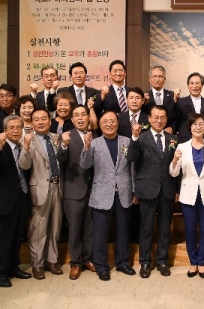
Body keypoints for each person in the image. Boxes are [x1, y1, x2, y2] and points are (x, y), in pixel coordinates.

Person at [80, 111, 137, 280]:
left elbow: (132, 168)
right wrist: (86, 147)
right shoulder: (94, 143)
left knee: (123, 231)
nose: (109, 124)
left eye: (112, 121)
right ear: (100, 125)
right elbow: (85, 165)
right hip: (102, 193)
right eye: (105, 122)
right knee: (100, 233)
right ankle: (101, 266)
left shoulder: (127, 141)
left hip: (124, 193)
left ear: (118, 123)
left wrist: (134, 190)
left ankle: (122, 262)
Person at [19, 108, 70, 279]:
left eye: (43, 119)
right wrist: (26, 147)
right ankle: (37, 264)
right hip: (39, 189)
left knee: (55, 227)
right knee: (38, 229)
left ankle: (51, 261)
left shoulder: (57, 138)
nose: (40, 122)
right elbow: (24, 165)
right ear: (32, 122)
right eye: (36, 119)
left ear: (50, 120)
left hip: (58, 187)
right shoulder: (28, 140)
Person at [127, 105, 177, 278]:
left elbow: (177, 166)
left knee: (164, 228)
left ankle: (162, 261)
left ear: (166, 119)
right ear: (149, 119)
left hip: (167, 189)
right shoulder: (141, 138)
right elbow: (132, 158)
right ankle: (145, 262)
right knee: (146, 228)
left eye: (162, 117)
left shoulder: (173, 139)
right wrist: (134, 137)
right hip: (147, 189)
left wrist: (176, 189)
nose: (159, 120)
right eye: (155, 117)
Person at [170, 114, 204, 278]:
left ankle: (202, 262)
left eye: (201, 124)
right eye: (194, 124)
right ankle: (193, 262)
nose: (198, 127)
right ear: (190, 127)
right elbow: (174, 173)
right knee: (190, 229)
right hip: (188, 194)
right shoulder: (182, 147)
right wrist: (174, 159)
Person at [0, 115, 33, 288]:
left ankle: (13, 267)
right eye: (11, 128)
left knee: (17, 237)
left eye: (18, 127)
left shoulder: (23, 147)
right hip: (4, 201)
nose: (15, 131)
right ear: (5, 131)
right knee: (4, 239)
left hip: (22, 197)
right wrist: (0, 146)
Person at [63, 104, 95, 280]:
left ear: (89, 117)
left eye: (84, 114)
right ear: (72, 119)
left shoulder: (97, 136)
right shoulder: (67, 137)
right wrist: (63, 145)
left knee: (89, 228)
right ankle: (75, 262)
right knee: (74, 229)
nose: (81, 118)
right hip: (73, 190)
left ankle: (88, 259)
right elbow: (60, 159)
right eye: (77, 115)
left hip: (93, 190)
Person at [173, 72, 204, 143]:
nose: (195, 86)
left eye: (197, 83)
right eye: (192, 83)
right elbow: (174, 120)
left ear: (202, 85)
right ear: (188, 86)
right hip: (184, 141)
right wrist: (175, 100)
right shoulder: (180, 102)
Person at [143, 65, 180, 132]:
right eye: (154, 76)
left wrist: (172, 128)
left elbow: (178, 116)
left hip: (168, 134)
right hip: (149, 133)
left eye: (160, 76)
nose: (157, 80)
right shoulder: (144, 96)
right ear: (149, 79)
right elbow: (142, 115)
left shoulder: (173, 95)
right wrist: (145, 103)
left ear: (164, 79)